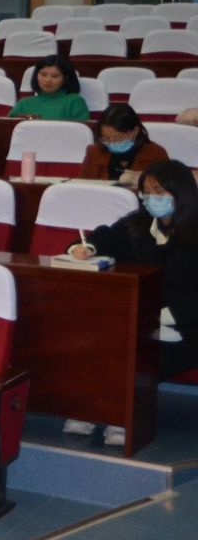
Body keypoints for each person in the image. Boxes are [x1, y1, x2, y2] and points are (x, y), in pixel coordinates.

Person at [66, 160, 198, 443]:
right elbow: (104, 237)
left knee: (135, 354)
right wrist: (86, 247)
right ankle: (90, 409)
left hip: (186, 329)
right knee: (97, 340)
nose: (151, 199)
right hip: (139, 320)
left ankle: (121, 417)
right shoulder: (137, 224)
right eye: (146, 193)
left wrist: (160, 316)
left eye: (159, 192)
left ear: (181, 194)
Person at [80, 103, 167, 187]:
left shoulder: (156, 153)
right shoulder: (94, 152)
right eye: (106, 138)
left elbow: (165, 188)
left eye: (118, 138)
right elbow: (82, 186)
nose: (112, 142)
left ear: (135, 131)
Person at [11, 55, 89, 121]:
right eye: (43, 75)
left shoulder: (74, 102)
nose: (48, 80)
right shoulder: (24, 104)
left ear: (65, 78)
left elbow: (80, 130)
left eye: (54, 76)